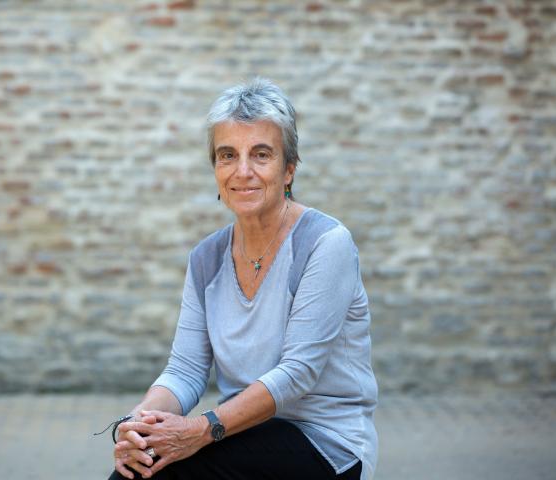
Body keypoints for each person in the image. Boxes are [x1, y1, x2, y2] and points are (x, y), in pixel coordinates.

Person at [105, 78, 378, 480]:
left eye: (261, 155)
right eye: (228, 155)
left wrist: (199, 431)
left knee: (173, 472)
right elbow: (185, 370)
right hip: (242, 433)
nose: (243, 171)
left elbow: (297, 373)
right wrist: (139, 424)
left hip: (326, 443)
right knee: (141, 465)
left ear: (289, 169)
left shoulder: (325, 243)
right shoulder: (206, 258)